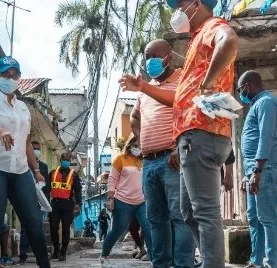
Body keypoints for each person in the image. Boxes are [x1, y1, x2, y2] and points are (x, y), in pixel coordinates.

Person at [119, 0, 238, 265]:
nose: (177, 12)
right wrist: (142, 87)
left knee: (203, 212)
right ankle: (206, 259)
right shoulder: (196, 39)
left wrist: (207, 84)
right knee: (188, 213)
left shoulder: (212, 26)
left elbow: (228, 40)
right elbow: (178, 99)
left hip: (202, 132)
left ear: (197, 4)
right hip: (192, 136)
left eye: (180, 5)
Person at [0, 56, 50, 268]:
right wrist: (0, 131)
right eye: (6, 75)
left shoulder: (23, 108)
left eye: (14, 75)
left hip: (20, 170)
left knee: (34, 222)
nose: (10, 78)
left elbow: (26, 141)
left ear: (19, 77)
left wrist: (35, 169)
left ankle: (45, 264)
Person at [129, 39, 195, 268]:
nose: (150, 62)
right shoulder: (144, 90)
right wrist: (140, 139)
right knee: (155, 220)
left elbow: (190, 116)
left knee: (180, 217)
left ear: (170, 56)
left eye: (155, 56)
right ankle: (161, 264)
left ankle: (183, 264)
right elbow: (134, 117)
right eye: (147, 58)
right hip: (149, 162)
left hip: (172, 160)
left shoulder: (183, 81)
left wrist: (179, 146)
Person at [238, 71, 277, 268]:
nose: (240, 94)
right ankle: (257, 260)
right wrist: (248, 173)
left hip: (265, 169)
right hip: (254, 171)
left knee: (268, 218)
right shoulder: (256, 105)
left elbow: (266, 137)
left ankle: (272, 262)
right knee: (254, 218)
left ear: (248, 85)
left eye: (240, 89)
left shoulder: (266, 102)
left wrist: (258, 170)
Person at [100, 135, 152, 266]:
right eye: (136, 145)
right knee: (117, 230)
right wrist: (110, 198)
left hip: (141, 201)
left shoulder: (144, 160)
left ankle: (154, 256)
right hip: (122, 201)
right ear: (129, 146)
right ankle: (104, 255)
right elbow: (112, 180)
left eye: (140, 146)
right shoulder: (120, 159)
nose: (138, 148)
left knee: (148, 227)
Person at [18, 141, 50, 264]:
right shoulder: (23, 164)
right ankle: (23, 254)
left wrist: (46, 203)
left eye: (37, 148)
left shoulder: (43, 167)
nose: (35, 150)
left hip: (39, 200)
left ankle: (40, 257)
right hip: (25, 197)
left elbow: (46, 187)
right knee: (25, 227)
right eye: (34, 148)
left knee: (37, 227)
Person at [47, 152, 82, 261]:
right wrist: (45, 202)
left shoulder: (74, 175)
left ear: (69, 162)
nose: (65, 162)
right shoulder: (52, 173)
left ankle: (63, 252)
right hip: (55, 204)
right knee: (53, 227)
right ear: (60, 160)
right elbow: (47, 188)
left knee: (66, 229)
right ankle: (56, 250)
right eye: (64, 160)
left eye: (67, 160)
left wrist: (78, 203)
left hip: (67, 204)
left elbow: (78, 190)